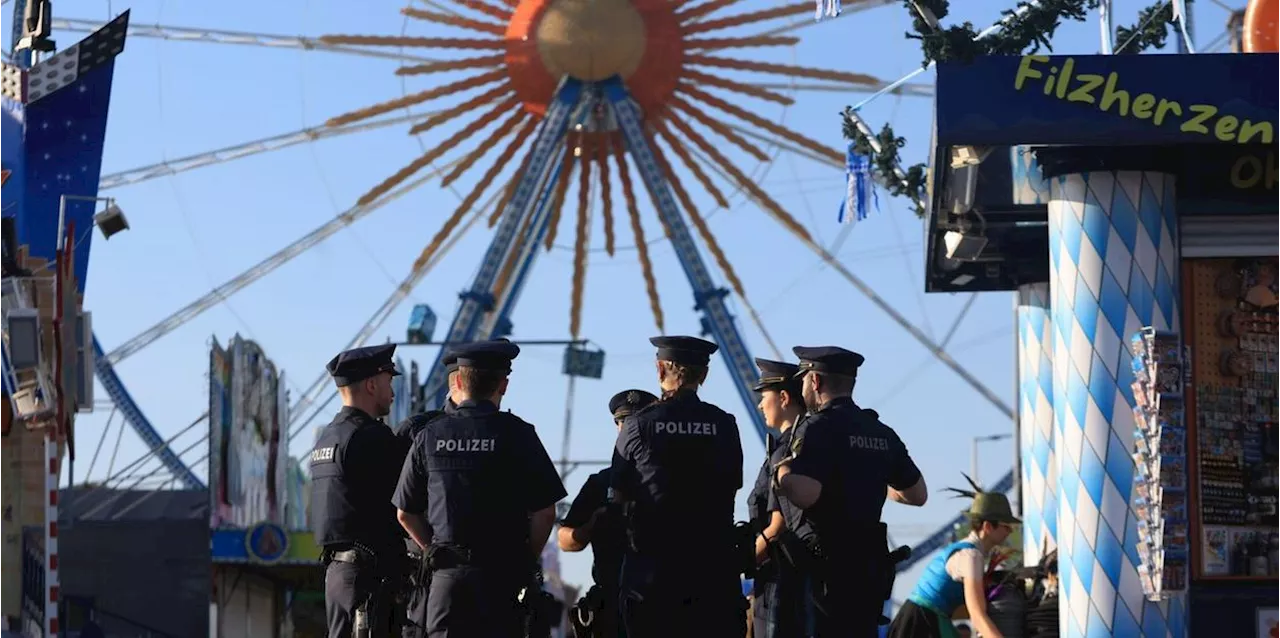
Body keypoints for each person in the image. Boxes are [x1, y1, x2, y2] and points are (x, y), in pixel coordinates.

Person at [392, 340, 567, 638]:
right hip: (501, 578)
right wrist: (523, 561)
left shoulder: (429, 435)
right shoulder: (518, 434)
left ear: (458, 381)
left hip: (446, 580)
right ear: (504, 385)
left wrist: (433, 551)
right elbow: (545, 512)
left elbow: (405, 513)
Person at [773, 345, 928, 637]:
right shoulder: (880, 431)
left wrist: (781, 472)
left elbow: (806, 495)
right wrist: (871, 479)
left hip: (825, 573)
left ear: (815, 381)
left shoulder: (817, 428)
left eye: (803, 379)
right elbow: (917, 494)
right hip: (869, 572)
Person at [611, 335, 746, 637]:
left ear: (661, 371)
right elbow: (732, 485)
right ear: (704, 375)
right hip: (713, 572)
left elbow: (617, 494)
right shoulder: (724, 424)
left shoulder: (639, 424)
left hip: (653, 575)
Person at [309, 343, 408, 638]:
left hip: (337, 576)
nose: (392, 392)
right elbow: (404, 505)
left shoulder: (327, 437)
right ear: (371, 384)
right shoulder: (371, 438)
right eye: (389, 382)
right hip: (370, 581)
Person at [562, 389, 659, 638]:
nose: (627, 429)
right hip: (610, 599)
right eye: (622, 422)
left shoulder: (669, 480)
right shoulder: (600, 483)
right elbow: (565, 540)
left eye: (634, 423)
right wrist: (591, 525)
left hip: (659, 597)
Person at [887, 485, 1019, 638]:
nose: (1010, 531)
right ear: (988, 526)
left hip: (922, 620)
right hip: (922, 624)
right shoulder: (971, 556)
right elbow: (977, 615)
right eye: (1005, 526)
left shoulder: (970, 552)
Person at [394, 351, 464, 638]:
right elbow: (398, 503)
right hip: (425, 572)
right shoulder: (417, 430)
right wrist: (430, 551)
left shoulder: (503, 431)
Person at [748, 358, 812, 638]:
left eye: (765, 397)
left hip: (779, 580)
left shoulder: (785, 452)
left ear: (784, 397)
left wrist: (736, 564)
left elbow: (778, 526)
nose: (761, 405)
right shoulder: (806, 443)